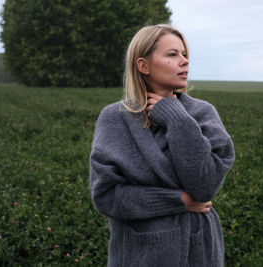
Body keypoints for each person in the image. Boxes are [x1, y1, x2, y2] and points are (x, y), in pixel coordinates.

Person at [89, 24, 235, 266]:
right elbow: (106, 196)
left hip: (198, 253)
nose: (184, 61)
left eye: (185, 54)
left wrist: (177, 119)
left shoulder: (202, 113)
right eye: (172, 55)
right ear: (143, 65)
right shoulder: (115, 119)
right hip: (139, 255)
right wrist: (178, 201)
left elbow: (205, 186)